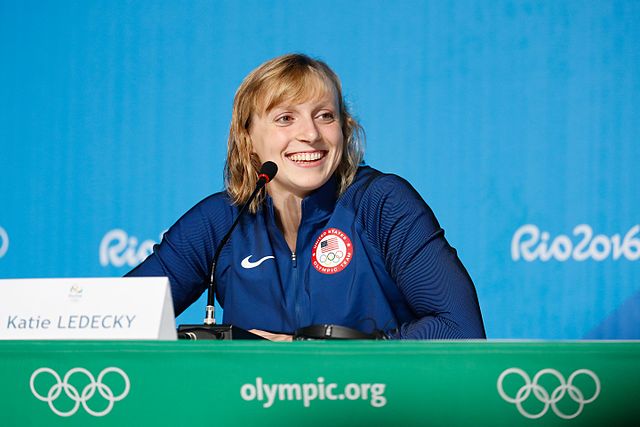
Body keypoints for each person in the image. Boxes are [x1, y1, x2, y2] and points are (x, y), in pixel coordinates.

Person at [127, 53, 486, 340]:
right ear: (248, 138)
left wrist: (316, 353)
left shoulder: (382, 204)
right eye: (285, 118)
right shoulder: (220, 221)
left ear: (344, 130)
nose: (310, 134)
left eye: (324, 116)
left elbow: (460, 328)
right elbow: (117, 321)